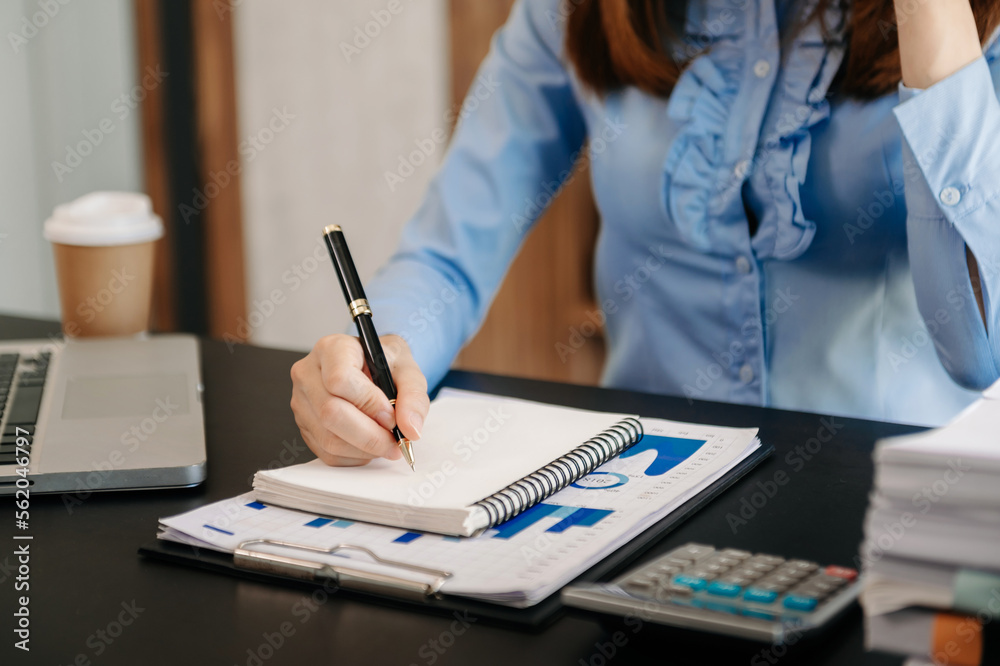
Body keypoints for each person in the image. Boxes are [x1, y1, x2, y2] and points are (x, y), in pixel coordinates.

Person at [291, 0, 1000, 467]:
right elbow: (447, 258)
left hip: (894, 529)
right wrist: (376, 362)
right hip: (636, 510)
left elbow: (980, 349)